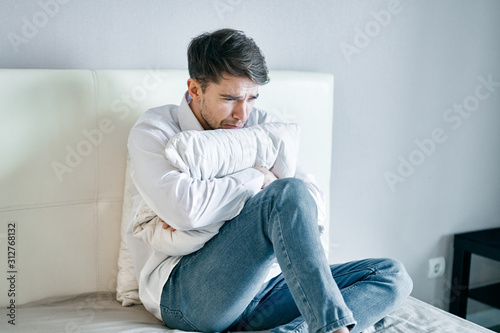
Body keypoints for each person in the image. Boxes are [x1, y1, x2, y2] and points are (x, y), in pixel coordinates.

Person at [127, 28, 413, 333]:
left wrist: (239, 197)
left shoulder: (260, 126)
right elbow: (185, 211)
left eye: (251, 98)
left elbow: (312, 203)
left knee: (392, 276)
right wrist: (257, 177)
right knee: (283, 192)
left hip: (265, 289)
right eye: (230, 98)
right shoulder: (155, 131)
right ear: (195, 89)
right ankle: (334, 329)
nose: (242, 113)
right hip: (190, 295)